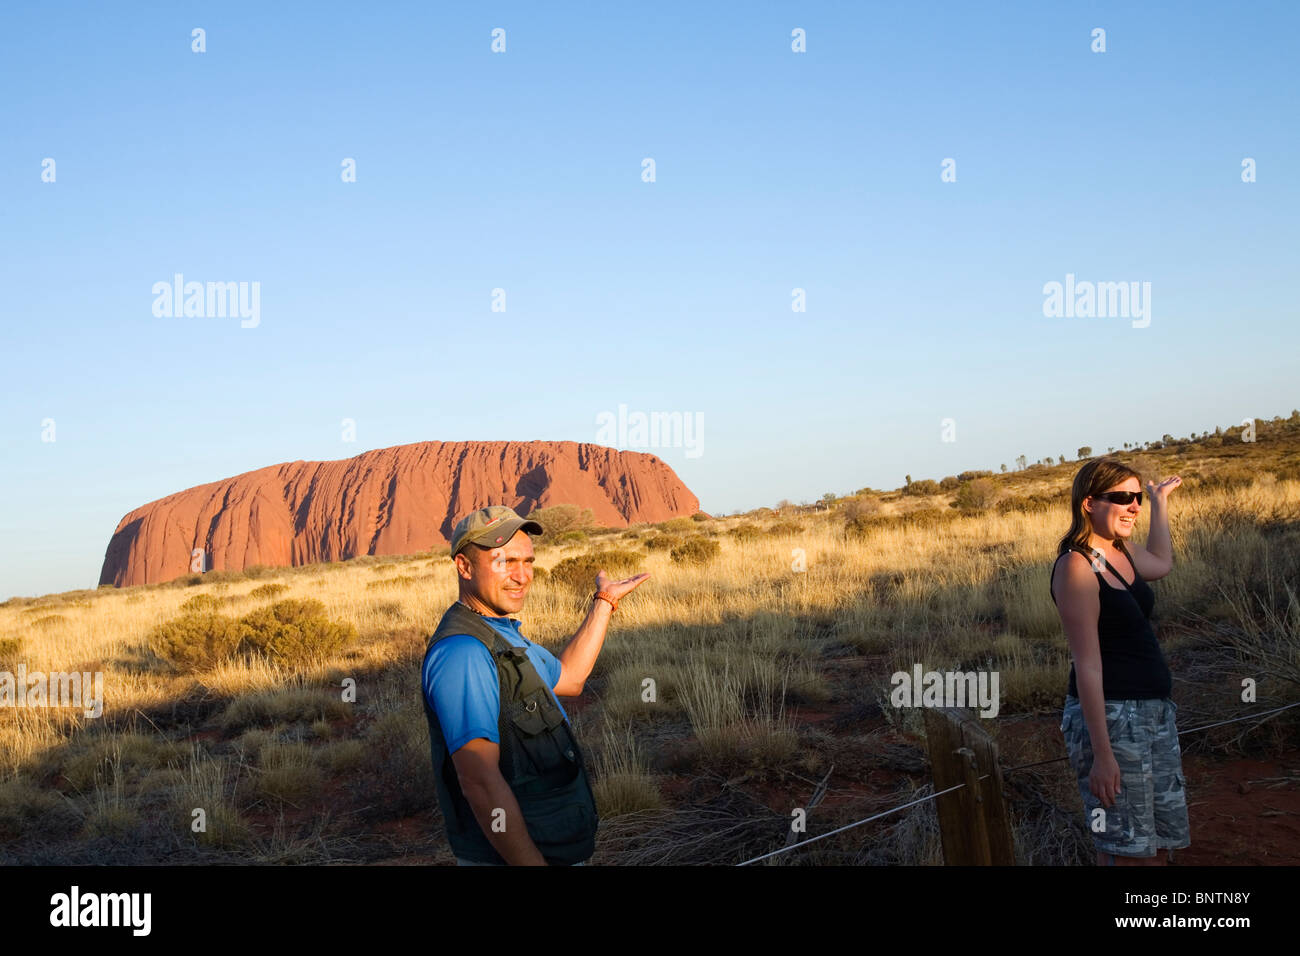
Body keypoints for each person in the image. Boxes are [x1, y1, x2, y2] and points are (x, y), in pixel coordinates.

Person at [420, 505, 649, 866]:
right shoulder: (464, 652)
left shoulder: (503, 635)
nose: (522, 575)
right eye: (505, 561)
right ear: (464, 566)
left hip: (550, 843)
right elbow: (479, 780)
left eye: (528, 562)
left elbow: (570, 678)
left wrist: (604, 603)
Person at [1050, 456, 1188, 866]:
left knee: (1161, 845)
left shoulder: (1120, 550)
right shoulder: (1076, 566)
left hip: (1152, 713)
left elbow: (1161, 564)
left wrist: (1159, 502)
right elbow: (1087, 666)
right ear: (1089, 503)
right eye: (1122, 498)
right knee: (1127, 852)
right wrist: (1103, 755)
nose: (1133, 506)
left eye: (1136, 499)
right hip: (1112, 718)